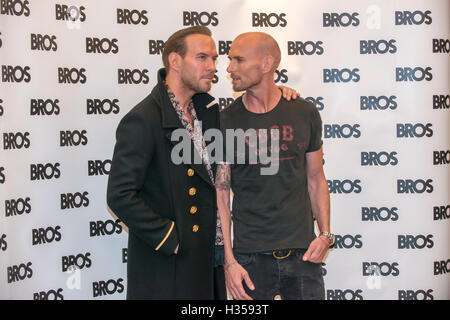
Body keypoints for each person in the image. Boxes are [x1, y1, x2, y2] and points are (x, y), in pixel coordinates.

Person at [107, 26, 299, 299]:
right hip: (168, 267)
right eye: (202, 58)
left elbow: (254, 107)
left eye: (214, 59)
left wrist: (278, 92)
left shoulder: (208, 113)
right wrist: (169, 237)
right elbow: (119, 195)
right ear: (175, 61)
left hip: (208, 262)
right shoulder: (144, 119)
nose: (212, 67)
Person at [216, 32, 333, 300]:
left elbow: (316, 178)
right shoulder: (225, 121)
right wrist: (229, 261)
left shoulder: (304, 112)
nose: (229, 68)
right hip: (249, 260)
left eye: (239, 60)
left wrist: (325, 234)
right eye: (230, 60)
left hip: (304, 256)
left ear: (267, 63)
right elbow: (221, 195)